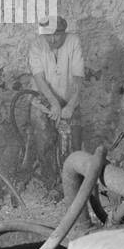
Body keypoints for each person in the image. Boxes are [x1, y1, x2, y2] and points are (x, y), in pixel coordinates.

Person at [27, 15, 84, 179]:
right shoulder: (36, 45)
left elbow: (78, 77)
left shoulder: (73, 41)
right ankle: (50, 180)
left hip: (69, 98)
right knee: (44, 140)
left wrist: (71, 105)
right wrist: (53, 104)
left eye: (56, 35)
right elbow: (39, 79)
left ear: (64, 32)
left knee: (74, 141)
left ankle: (73, 181)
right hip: (44, 100)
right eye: (48, 35)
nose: (52, 39)